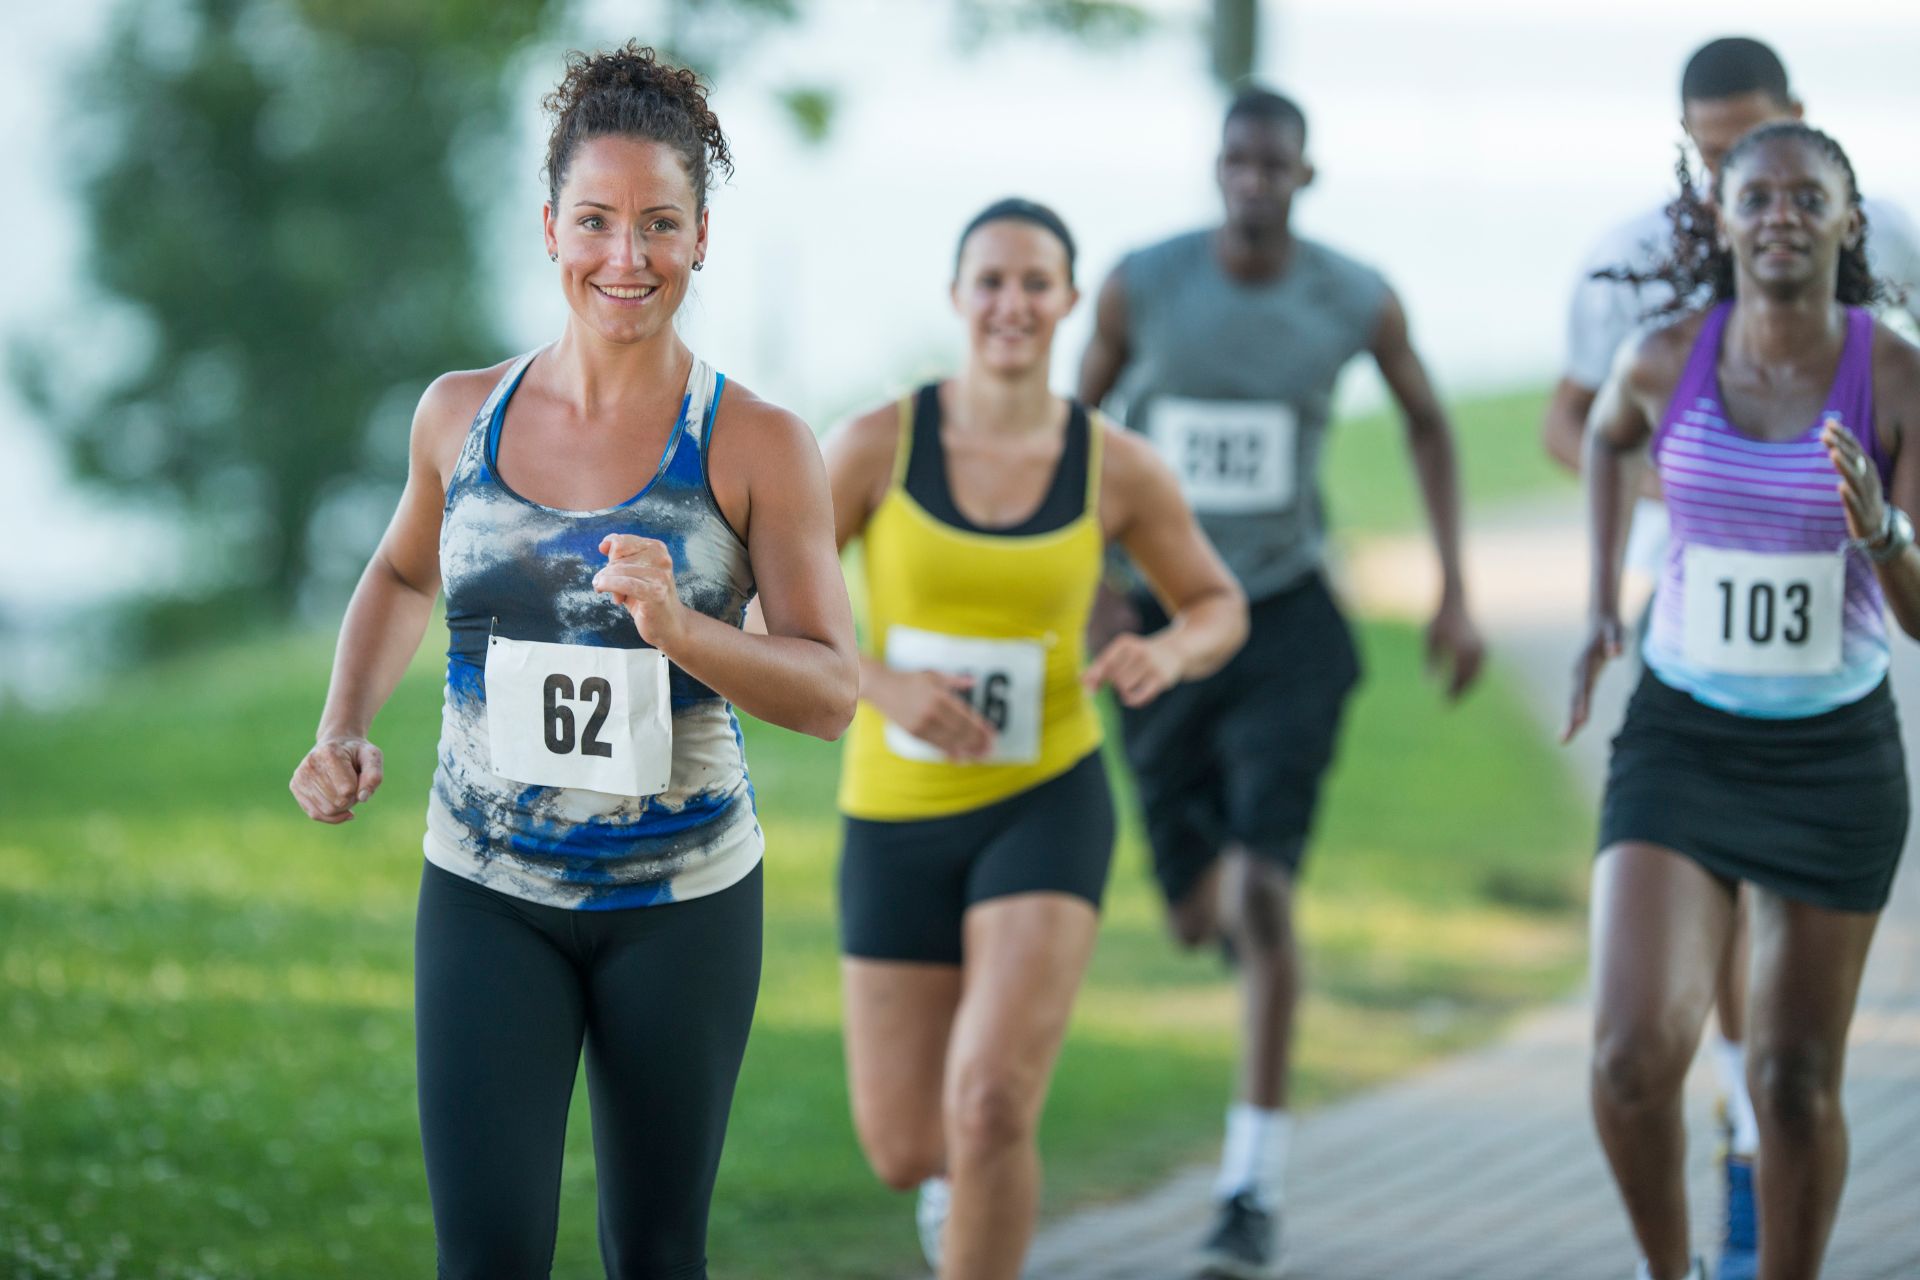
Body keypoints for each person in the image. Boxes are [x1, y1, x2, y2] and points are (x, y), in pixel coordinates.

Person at [286, 44, 858, 1280]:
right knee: (485, 1256)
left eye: (660, 224)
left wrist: (687, 630)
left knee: (655, 1252)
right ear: (549, 225)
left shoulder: (757, 443)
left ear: (702, 237)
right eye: (596, 221)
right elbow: (399, 574)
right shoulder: (460, 416)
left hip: (684, 904)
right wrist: (339, 724)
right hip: (487, 889)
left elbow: (832, 691)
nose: (626, 258)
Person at [1077, 88, 1484, 1278]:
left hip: (1286, 612)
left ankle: (1249, 1186)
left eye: (1276, 164)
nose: (1255, 179)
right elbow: (1070, 422)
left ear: (1305, 177)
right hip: (1157, 616)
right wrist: (1092, 576)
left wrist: (1456, 587)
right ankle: (1240, 925)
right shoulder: (1141, 282)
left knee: (1261, 898)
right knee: (1201, 912)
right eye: (1238, 160)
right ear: (1217, 170)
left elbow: (1427, 420)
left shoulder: (1352, 294)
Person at [1542, 40, 1920, 1277]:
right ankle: (1675, 1270)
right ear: (1717, 214)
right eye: (1754, 195)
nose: (1780, 217)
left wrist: (1882, 527)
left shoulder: (1898, 375)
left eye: (1809, 196)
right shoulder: (1666, 354)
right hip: (1686, 734)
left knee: (1795, 1077)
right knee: (1629, 1053)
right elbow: (1600, 436)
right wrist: (1602, 599)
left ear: (1848, 220)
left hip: (1831, 756)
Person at [824, 198, 1248, 1280]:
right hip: (896, 813)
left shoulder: (1115, 466)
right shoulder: (877, 443)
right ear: (958, 295)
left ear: (1067, 299)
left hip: (1045, 794)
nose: (1012, 303)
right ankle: (950, 1192)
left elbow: (1216, 602)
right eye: (992, 280)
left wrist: (1172, 653)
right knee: (906, 1143)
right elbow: (758, 607)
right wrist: (883, 684)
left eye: (1036, 283)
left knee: (993, 1098)